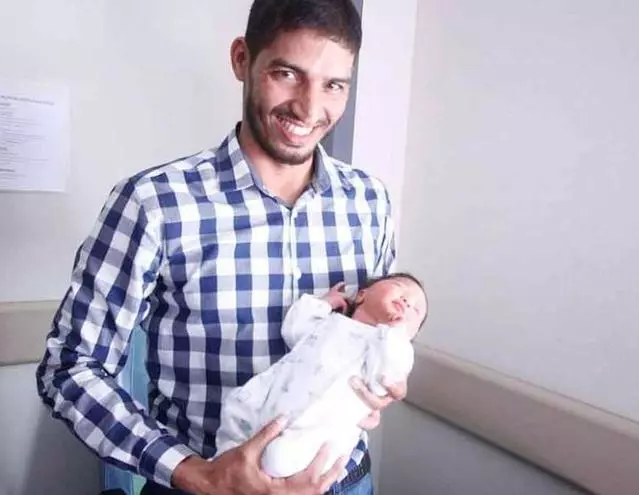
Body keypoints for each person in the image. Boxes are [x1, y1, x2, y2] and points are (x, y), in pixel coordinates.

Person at [35, 1, 405, 494]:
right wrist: (194, 471)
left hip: (346, 483)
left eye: (334, 85)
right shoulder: (154, 204)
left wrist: (381, 382)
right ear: (241, 59)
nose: (309, 107)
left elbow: (377, 334)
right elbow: (69, 367)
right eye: (287, 74)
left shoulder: (370, 202)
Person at [216, 274, 428, 479]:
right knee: (236, 409)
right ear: (362, 294)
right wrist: (322, 304)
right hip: (274, 398)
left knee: (280, 457)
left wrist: (395, 336)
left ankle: (274, 468)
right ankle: (224, 460)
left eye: (416, 309)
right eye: (400, 287)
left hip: (318, 425)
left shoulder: (383, 348)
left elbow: (387, 375)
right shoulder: (330, 322)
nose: (408, 302)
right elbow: (293, 329)